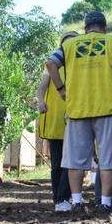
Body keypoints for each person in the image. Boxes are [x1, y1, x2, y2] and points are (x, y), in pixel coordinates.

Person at [45, 11, 112, 213]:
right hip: (108, 109)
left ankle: (76, 202)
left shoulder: (69, 45)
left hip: (78, 110)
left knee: (74, 160)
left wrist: (61, 89)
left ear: (85, 28)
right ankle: (105, 203)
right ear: (104, 27)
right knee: (108, 160)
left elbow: (51, 63)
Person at [37, 32, 78, 212]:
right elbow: (42, 86)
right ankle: (58, 198)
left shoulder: (81, 62)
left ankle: (63, 197)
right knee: (57, 162)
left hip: (76, 115)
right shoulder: (52, 63)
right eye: (66, 43)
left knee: (70, 162)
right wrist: (41, 101)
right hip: (55, 116)